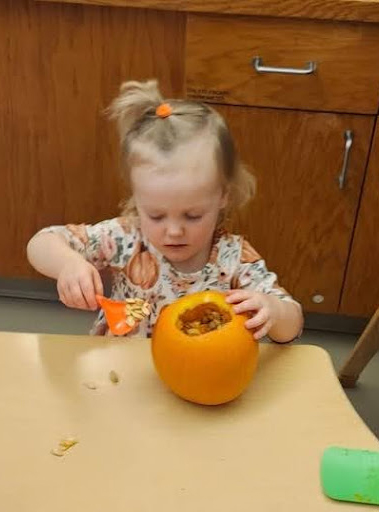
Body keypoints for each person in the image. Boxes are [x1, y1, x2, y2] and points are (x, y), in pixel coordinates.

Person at [27, 80, 303, 341]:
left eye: (192, 215)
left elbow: (292, 324)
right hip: (121, 369)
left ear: (223, 196)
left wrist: (273, 310)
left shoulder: (234, 258)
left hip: (200, 375)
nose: (173, 231)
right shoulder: (124, 238)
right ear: (138, 199)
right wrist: (68, 263)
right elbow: (42, 242)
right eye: (156, 215)